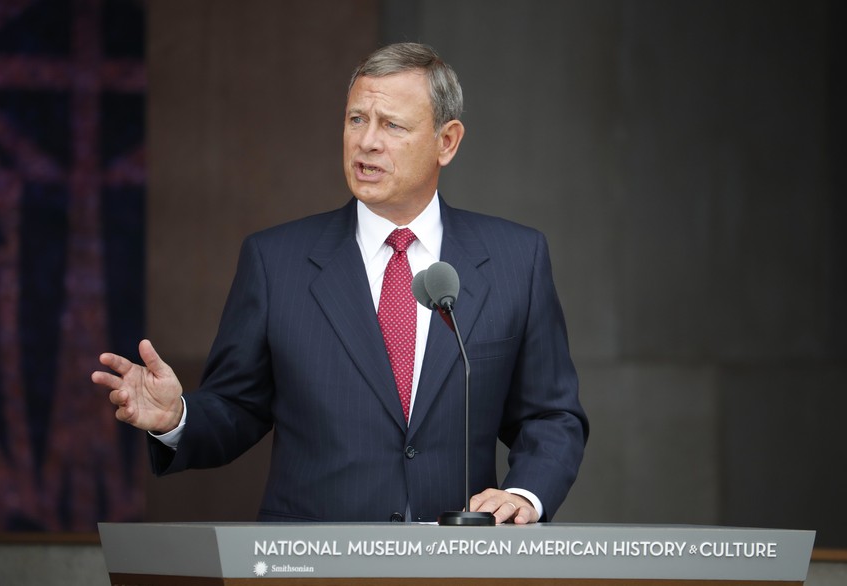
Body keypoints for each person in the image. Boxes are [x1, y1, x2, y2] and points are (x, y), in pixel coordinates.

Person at [92, 42, 588, 524]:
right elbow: (236, 409)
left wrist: (525, 495)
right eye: (357, 119)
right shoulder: (276, 261)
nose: (366, 141)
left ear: (447, 141)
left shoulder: (513, 260)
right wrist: (176, 417)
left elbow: (549, 415)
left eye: (392, 125)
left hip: (456, 562)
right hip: (314, 565)